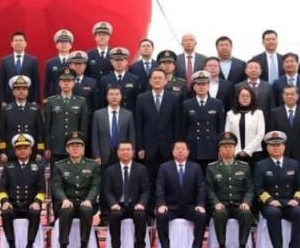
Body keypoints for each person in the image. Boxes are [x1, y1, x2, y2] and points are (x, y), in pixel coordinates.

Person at [253, 131, 300, 248]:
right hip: (270, 203)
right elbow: (258, 188)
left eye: (278, 145)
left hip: (289, 202)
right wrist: (270, 200)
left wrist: (296, 199)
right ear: (267, 148)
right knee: (273, 213)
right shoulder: (261, 165)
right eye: (272, 145)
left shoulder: (293, 164)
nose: (276, 147)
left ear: (284, 147)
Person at [135, 68, 181, 211]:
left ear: (166, 81)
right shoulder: (142, 98)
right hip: (149, 147)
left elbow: (177, 124)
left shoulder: (173, 98)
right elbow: (139, 124)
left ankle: (166, 208)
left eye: (160, 78)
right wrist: (140, 147)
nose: (157, 80)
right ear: (150, 81)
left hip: (168, 147)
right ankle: (149, 211)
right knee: (149, 179)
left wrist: (176, 147)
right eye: (154, 78)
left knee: (168, 179)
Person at [205, 132, 255, 248]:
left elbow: (249, 188)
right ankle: (222, 247)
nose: (228, 149)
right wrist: (216, 203)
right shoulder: (212, 168)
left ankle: (242, 247)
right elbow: (209, 189)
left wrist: (246, 202)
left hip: (238, 205)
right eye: (224, 147)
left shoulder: (244, 167)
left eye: (230, 147)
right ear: (220, 150)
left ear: (235, 149)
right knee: (220, 214)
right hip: (222, 205)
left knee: (246, 214)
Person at [91, 85, 136, 225]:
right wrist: (96, 154)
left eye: (117, 94)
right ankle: (105, 213)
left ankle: (121, 211)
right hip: (104, 154)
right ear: (107, 97)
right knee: (105, 184)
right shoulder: (98, 114)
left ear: (121, 96)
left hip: (123, 154)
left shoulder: (128, 114)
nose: (114, 97)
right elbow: (94, 136)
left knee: (122, 181)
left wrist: (132, 154)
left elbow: (132, 135)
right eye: (111, 94)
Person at [155, 141, 206, 248]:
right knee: (161, 216)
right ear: (173, 152)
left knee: (201, 216)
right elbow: (160, 188)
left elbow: (201, 188)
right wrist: (161, 204)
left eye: (183, 149)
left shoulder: (195, 167)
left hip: (189, 207)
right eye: (177, 149)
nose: (180, 151)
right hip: (171, 207)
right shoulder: (164, 167)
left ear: (188, 152)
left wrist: (200, 204)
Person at [52, 132, 100, 248]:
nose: (75, 148)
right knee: (66, 210)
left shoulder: (92, 165)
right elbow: (57, 187)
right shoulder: (59, 166)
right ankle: (63, 247)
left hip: (85, 202)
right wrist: (64, 199)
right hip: (68, 201)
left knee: (86, 210)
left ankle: (84, 246)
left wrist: (89, 200)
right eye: (72, 146)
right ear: (67, 149)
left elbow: (95, 186)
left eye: (78, 146)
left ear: (83, 149)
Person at [0, 133, 46, 248]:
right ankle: (11, 247)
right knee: (6, 213)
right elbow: (1, 189)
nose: (22, 150)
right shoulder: (8, 167)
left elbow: (42, 190)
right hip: (13, 205)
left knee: (35, 212)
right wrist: (5, 201)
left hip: (30, 205)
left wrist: (37, 202)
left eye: (25, 148)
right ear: (15, 151)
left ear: (30, 150)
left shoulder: (37, 167)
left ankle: (29, 246)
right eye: (19, 148)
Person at [104, 140, 150, 248]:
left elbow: (146, 190)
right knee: (114, 215)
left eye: (128, 149)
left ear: (132, 152)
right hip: (118, 205)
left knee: (141, 215)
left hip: (135, 205)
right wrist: (113, 204)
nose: (125, 152)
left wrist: (141, 203)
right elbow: (108, 191)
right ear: (118, 152)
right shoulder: (110, 170)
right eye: (122, 150)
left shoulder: (141, 169)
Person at [181, 70, 225, 173]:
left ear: (208, 86)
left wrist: (220, 147)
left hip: (211, 146)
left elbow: (220, 128)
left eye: (204, 84)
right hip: (193, 146)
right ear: (194, 87)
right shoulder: (187, 104)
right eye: (198, 84)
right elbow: (183, 128)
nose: (201, 87)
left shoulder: (217, 103)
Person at [44, 68, 89, 164]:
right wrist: (47, 147)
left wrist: (83, 147)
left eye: (69, 81)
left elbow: (83, 128)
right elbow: (47, 127)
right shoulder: (51, 101)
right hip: (56, 147)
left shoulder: (81, 102)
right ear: (59, 83)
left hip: (74, 147)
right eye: (64, 81)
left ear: (74, 83)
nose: (66, 83)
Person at [0, 75, 45, 161]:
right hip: (11, 152)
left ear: (28, 92)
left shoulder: (35, 109)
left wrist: (40, 152)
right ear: (13, 92)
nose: (21, 91)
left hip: (31, 152)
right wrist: (2, 152)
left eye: (24, 89)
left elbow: (40, 133)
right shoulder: (6, 109)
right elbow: (1, 133)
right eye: (18, 89)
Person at [268, 85, 300, 171]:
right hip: (280, 153)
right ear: (283, 96)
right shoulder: (275, 113)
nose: (289, 96)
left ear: (297, 96)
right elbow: (271, 135)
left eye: (292, 94)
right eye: (287, 94)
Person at [224, 86, 265, 168]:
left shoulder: (258, 113)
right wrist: (238, 150)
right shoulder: (230, 114)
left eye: (247, 96)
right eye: (242, 96)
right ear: (238, 98)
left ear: (251, 98)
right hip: (235, 153)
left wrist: (247, 151)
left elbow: (260, 134)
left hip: (254, 153)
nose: (245, 98)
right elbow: (228, 134)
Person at [0, 32, 40, 104]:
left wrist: (35, 101)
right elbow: (1, 83)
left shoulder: (33, 60)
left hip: (28, 100)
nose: (18, 42)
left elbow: (36, 82)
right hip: (9, 100)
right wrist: (2, 101)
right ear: (11, 44)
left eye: (21, 40)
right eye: (16, 40)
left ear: (25, 43)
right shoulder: (5, 60)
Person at [98, 47, 142, 112]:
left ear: (126, 62)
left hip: (129, 115)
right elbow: (102, 102)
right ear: (111, 62)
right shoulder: (104, 80)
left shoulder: (134, 79)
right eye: (116, 60)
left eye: (121, 60)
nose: (119, 63)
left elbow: (138, 102)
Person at [235, 59, 276, 124]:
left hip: (264, 121)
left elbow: (272, 106)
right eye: (250, 68)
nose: (253, 70)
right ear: (246, 71)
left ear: (260, 71)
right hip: (244, 122)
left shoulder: (269, 86)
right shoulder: (238, 86)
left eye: (256, 68)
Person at [44, 29, 74, 97]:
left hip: (72, 97)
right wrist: (46, 98)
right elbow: (47, 84)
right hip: (55, 97)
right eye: (61, 42)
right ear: (56, 45)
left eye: (66, 42)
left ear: (71, 45)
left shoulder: (74, 62)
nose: (64, 44)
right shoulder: (50, 63)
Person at [68, 50, 98, 115]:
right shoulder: (64, 82)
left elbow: (95, 105)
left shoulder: (92, 83)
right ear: (70, 66)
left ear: (85, 66)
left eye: (80, 64)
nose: (78, 66)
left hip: (87, 118)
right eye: (75, 64)